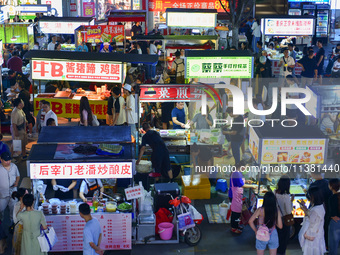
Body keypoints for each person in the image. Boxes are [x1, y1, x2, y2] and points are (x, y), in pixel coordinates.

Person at [306, 170, 333, 250]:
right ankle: (326, 246)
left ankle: (316, 247)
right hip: (327, 209)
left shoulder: (313, 185)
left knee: (315, 228)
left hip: (316, 210)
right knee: (325, 228)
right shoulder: (328, 183)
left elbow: (310, 198)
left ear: (313, 174)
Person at [229, 161, 257, 234]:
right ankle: (234, 228)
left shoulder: (238, 172)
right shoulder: (236, 173)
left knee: (237, 212)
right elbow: (241, 185)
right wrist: (252, 186)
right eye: (246, 166)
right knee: (236, 213)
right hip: (235, 196)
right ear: (242, 166)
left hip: (237, 195)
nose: (246, 168)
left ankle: (236, 225)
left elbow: (240, 181)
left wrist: (247, 181)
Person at [298, 187, 327, 255]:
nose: (309, 198)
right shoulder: (321, 206)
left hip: (312, 235)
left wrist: (305, 212)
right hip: (318, 234)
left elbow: (310, 222)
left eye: (310, 196)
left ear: (314, 197)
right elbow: (312, 217)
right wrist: (305, 208)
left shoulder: (315, 209)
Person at [275, 175, 294, 255]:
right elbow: (288, 211)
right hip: (284, 221)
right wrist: (291, 201)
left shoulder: (274, 193)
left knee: (277, 238)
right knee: (283, 240)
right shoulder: (286, 197)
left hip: (276, 219)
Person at [0, 152, 19, 222]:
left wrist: (16, 182)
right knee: (1, 209)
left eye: (9, 160)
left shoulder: (14, 166)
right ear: (1, 160)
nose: (8, 162)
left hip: (13, 192)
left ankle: (12, 224)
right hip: (2, 194)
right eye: (6, 160)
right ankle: (1, 222)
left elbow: (18, 176)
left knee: (14, 209)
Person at [12, 188, 28, 255]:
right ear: (21, 197)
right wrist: (21, 209)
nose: (28, 195)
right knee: (19, 248)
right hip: (20, 229)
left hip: (26, 229)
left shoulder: (28, 204)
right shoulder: (17, 205)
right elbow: (15, 220)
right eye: (26, 194)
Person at [328, 178, 340, 255]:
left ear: (331, 186)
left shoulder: (332, 198)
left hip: (335, 222)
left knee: (333, 245)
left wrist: (331, 216)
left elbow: (329, 212)